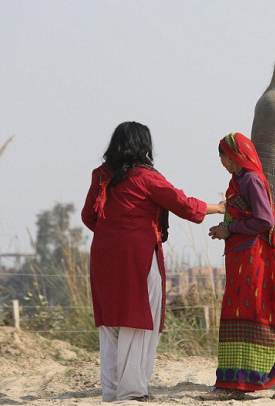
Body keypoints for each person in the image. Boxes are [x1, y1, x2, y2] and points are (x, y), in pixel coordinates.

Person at [81, 121, 223, 402]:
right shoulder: (146, 177)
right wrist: (218, 207)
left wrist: (114, 232)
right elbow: (183, 204)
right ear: (144, 146)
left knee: (110, 324)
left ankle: (111, 391)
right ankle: (132, 391)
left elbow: (88, 217)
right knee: (139, 319)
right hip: (138, 254)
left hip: (103, 255)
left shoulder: (101, 175)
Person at [201, 132, 275, 401]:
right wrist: (226, 230)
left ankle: (235, 385)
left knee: (256, 317)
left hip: (254, 260)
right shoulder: (238, 180)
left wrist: (229, 228)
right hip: (241, 259)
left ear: (236, 155)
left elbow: (265, 220)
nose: (223, 162)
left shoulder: (251, 179)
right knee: (245, 317)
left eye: (225, 157)